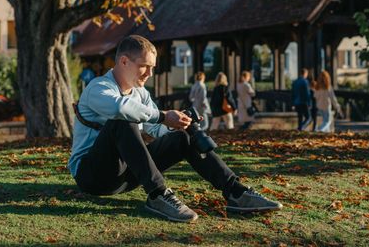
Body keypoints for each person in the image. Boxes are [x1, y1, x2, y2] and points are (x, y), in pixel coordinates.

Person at [68, 36, 282, 223]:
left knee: (180, 137)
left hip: (127, 176)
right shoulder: (98, 87)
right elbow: (121, 108)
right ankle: (158, 194)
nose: (150, 73)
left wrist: (181, 125)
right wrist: (163, 116)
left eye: (153, 67)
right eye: (145, 66)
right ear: (124, 61)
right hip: (93, 177)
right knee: (122, 120)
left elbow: (157, 129)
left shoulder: (140, 94)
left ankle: (235, 191)